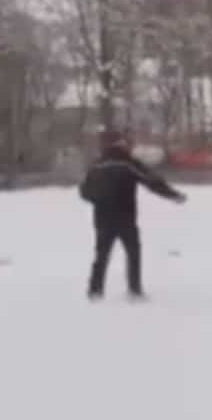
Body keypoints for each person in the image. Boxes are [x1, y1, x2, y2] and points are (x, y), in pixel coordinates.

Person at [78, 129, 186, 301]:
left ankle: (95, 290)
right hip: (125, 216)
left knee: (102, 254)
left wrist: (101, 200)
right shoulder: (128, 163)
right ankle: (134, 289)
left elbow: (84, 192)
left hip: (103, 218)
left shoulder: (96, 165)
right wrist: (173, 195)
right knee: (133, 252)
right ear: (120, 144)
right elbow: (151, 181)